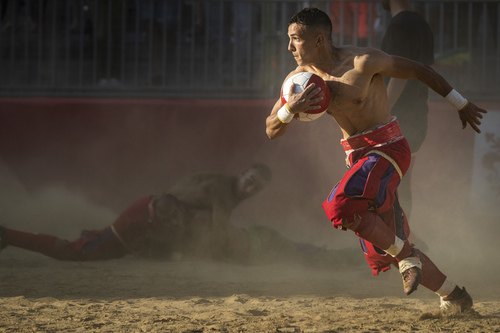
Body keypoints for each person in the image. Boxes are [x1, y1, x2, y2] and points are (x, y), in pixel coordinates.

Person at [265, 7, 486, 315]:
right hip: (357, 158)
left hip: (388, 148)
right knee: (389, 243)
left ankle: (408, 258)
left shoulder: (362, 61)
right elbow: (271, 128)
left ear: (318, 40)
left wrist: (460, 103)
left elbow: (420, 70)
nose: (289, 47)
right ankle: (455, 296)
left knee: (337, 206)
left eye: (295, 39)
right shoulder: (298, 81)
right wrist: (291, 109)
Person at [0, 193, 186, 260]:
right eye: (170, 218)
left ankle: (7, 234)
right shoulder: (140, 219)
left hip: (113, 241)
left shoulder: (152, 207)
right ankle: (6, 234)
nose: (175, 222)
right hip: (104, 244)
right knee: (70, 252)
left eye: (175, 216)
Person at [380, 0, 434, 222]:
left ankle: (393, 241)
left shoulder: (399, 26)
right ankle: (403, 240)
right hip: (418, 114)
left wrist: (380, 114)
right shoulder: (422, 24)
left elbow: (398, 76)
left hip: (397, 118)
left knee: (387, 184)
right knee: (403, 184)